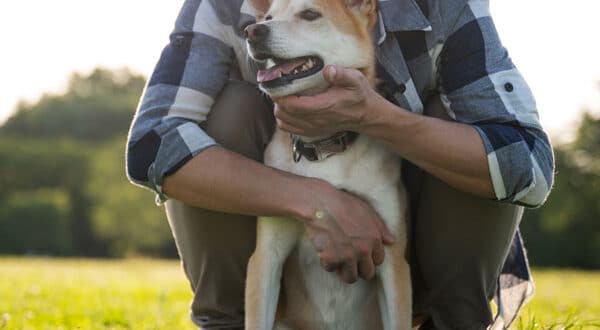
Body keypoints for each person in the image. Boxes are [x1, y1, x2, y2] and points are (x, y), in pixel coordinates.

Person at [126, 0, 554, 329]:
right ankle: (229, 322)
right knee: (229, 110)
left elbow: (528, 163)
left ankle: (454, 322)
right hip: (285, 265)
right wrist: (315, 202)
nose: (263, 25)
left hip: (413, 243)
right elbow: (151, 144)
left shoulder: (441, 5)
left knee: (470, 131)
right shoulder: (217, 8)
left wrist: (374, 116)